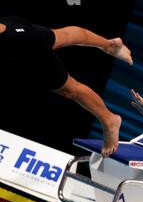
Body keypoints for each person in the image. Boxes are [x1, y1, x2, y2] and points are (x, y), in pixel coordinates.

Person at [0, 16, 133, 156]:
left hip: (17, 42)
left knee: (69, 89)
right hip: (13, 29)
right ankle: (109, 45)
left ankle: (109, 120)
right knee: (60, 36)